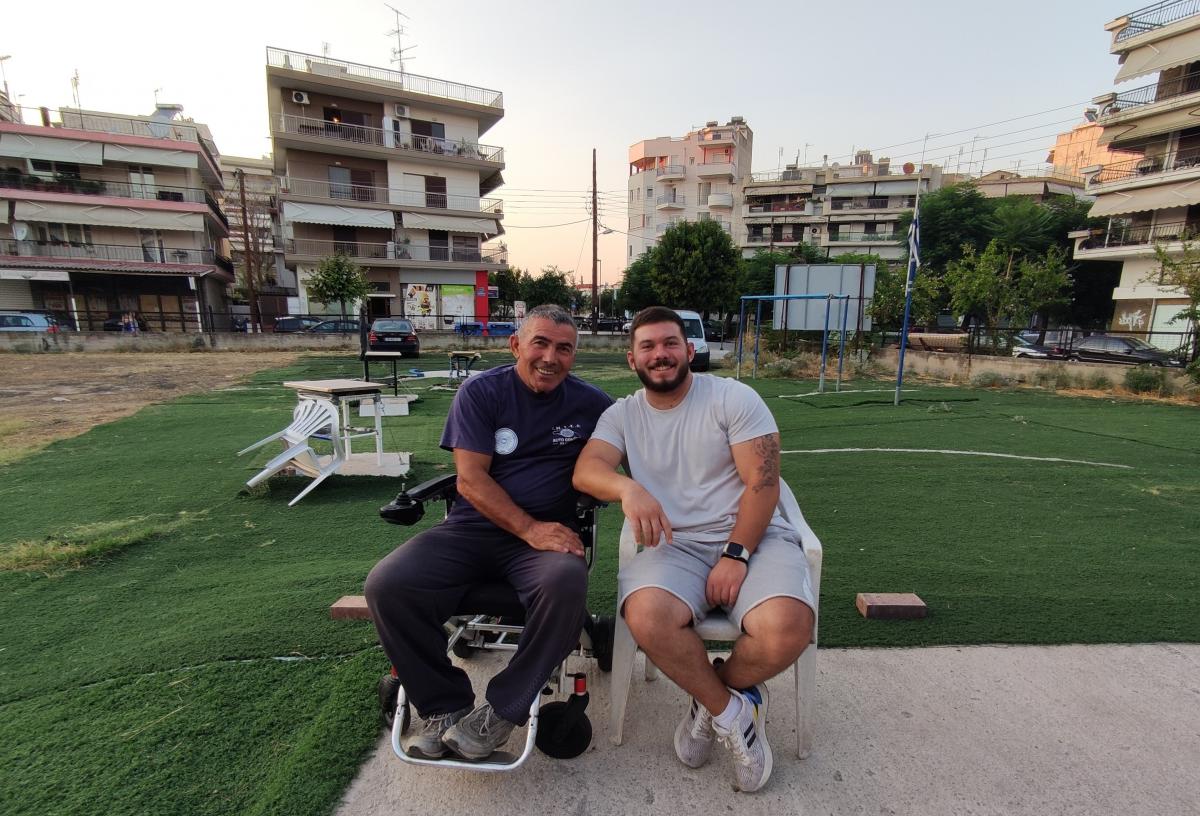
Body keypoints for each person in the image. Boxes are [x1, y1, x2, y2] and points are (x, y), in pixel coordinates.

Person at [572, 306, 815, 793]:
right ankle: (732, 710)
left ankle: (708, 698)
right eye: (648, 347)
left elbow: (763, 485)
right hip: (675, 546)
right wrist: (628, 489)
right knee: (645, 616)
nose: (659, 355)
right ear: (632, 358)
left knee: (786, 628)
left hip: (753, 538)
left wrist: (736, 553)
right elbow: (586, 470)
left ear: (689, 349)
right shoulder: (622, 414)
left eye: (669, 344)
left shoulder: (733, 398)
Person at [364, 304, 613, 761]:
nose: (550, 357)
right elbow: (471, 480)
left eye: (564, 348)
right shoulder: (481, 392)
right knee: (388, 583)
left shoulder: (594, 405)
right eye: (539, 342)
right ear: (515, 344)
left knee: (566, 580)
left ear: (574, 355)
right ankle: (444, 706)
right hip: (471, 530)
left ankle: (501, 712)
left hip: (545, 540)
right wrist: (529, 528)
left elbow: (637, 455)